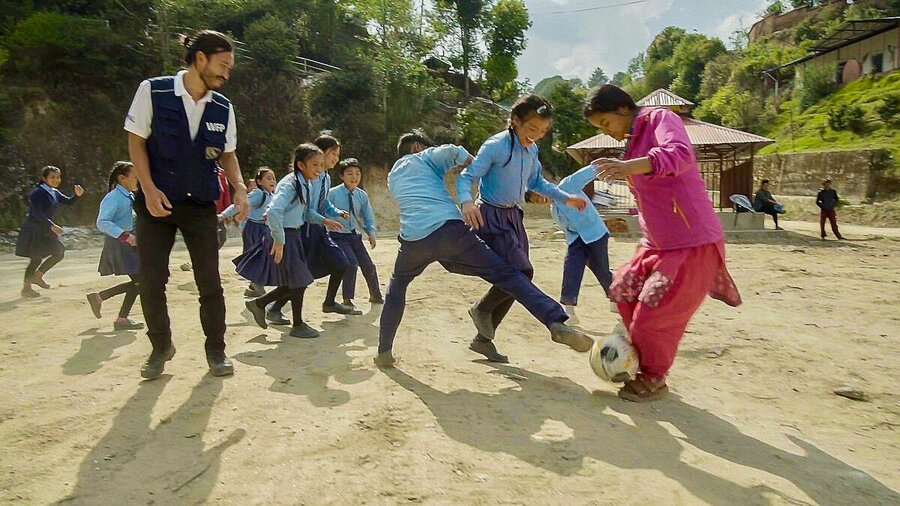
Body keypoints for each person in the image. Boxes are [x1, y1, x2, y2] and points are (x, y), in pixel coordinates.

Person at [375, 131, 593, 368]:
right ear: (417, 147)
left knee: (397, 287)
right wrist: (474, 162)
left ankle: (384, 351)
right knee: (507, 273)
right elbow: (450, 151)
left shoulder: (393, 176)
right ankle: (555, 321)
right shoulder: (423, 157)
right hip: (450, 234)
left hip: (413, 242)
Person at [582, 84, 742, 402]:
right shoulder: (631, 144)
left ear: (623, 109)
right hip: (655, 245)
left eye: (605, 123)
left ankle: (654, 377)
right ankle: (641, 357)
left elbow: (679, 155)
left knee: (652, 315)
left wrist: (629, 167)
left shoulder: (660, 119)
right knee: (623, 291)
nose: (607, 132)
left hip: (691, 244)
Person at [124, 30, 249, 379]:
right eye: (222, 65)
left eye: (230, 67)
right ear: (200, 59)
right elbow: (136, 143)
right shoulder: (154, 90)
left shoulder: (223, 108)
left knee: (209, 281)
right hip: (156, 202)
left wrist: (239, 188)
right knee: (151, 279)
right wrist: (147, 188)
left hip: (200, 204)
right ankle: (160, 347)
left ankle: (217, 352)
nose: (227, 73)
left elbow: (228, 154)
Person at [456, 94, 588, 360]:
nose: (536, 135)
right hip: (490, 217)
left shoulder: (532, 150)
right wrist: (466, 202)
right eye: (531, 129)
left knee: (521, 276)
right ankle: (484, 312)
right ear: (515, 120)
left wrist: (564, 196)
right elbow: (467, 176)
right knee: (520, 272)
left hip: (514, 218)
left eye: (542, 131)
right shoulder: (496, 146)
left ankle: (483, 336)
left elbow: (536, 181)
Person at [265, 134, 357, 324]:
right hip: (305, 230)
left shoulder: (324, 178)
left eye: (337, 155)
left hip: (318, 229)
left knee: (341, 262)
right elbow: (305, 210)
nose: (335, 159)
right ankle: (272, 308)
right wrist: (324, 220)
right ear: (320, 154)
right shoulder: (306, 178)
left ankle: (329, 302)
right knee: (300, 277)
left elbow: (322, 204)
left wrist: (336, 212)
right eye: (333, 154)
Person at [237, 144, 322, 338]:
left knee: (297, 281)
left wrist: (323, 220)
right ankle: (295, 323)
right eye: (315, 164)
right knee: (299, 280)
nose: (319, 169)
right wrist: (279, 241)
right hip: (284, 237)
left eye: (320, 164)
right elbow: (274, 211)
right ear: (301, 165)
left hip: (293, 235)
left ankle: (261, 305)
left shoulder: (305, 183)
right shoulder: (290, 184)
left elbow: (304, 212)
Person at [550, 164, 613, 322]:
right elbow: (566, 229)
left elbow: (587, 173)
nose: (540, 200)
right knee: (571, 267)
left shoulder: (567, 186)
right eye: (536, 200)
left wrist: (605, 165)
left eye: (539, 195)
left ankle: (616, 297)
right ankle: (569, 312)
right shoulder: (554, 210)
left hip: (595, 233)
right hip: (576, 240)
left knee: (601, 270)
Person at [86, 161, 144, 330]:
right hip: (120, 244)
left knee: (140, 282)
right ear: (121, 178)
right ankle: (115, 313)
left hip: (128, 244)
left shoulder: (128, 195)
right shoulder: (114, 197)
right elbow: (102, 222)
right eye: (135, 176)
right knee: (141, 281)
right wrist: (125, 236)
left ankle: (108, 306)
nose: (138, 179)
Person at [16, 166, 84, 298]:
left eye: (58, 177)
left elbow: (69, 202)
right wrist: (51, 225)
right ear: (44, 178)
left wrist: (77, 196)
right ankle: (26, 288)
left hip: (46, 229)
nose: (56, 180)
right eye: (52, 177)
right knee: (35, 258)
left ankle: (38, 276)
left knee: (59, 252)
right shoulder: (38, 193)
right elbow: (36, 213)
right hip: (34, 228)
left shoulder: (54, 192)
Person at [327, 158, 383, 309]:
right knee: (351, 264)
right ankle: (347, 299)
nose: (354, 177)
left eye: (358, 173)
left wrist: (371, 232)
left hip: (354, 235)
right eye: (350, 173)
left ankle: (375, 294)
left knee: (368, 265)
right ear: (342, 176)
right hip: (337, 236)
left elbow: (367, 216)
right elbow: (323, 211)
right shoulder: (332, 194)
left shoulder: (361, 195)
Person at [222, 167, 277, 297]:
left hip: (266, 229)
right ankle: (257, 284)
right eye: (268, 178)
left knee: (264, 256)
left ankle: (255, 284)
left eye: (274, 178)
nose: (272, 181)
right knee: (257, 255)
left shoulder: (273, 196)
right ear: (259, 181)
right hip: (254, 228)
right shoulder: (259, 194)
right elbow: (241, 204)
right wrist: (224, 215)